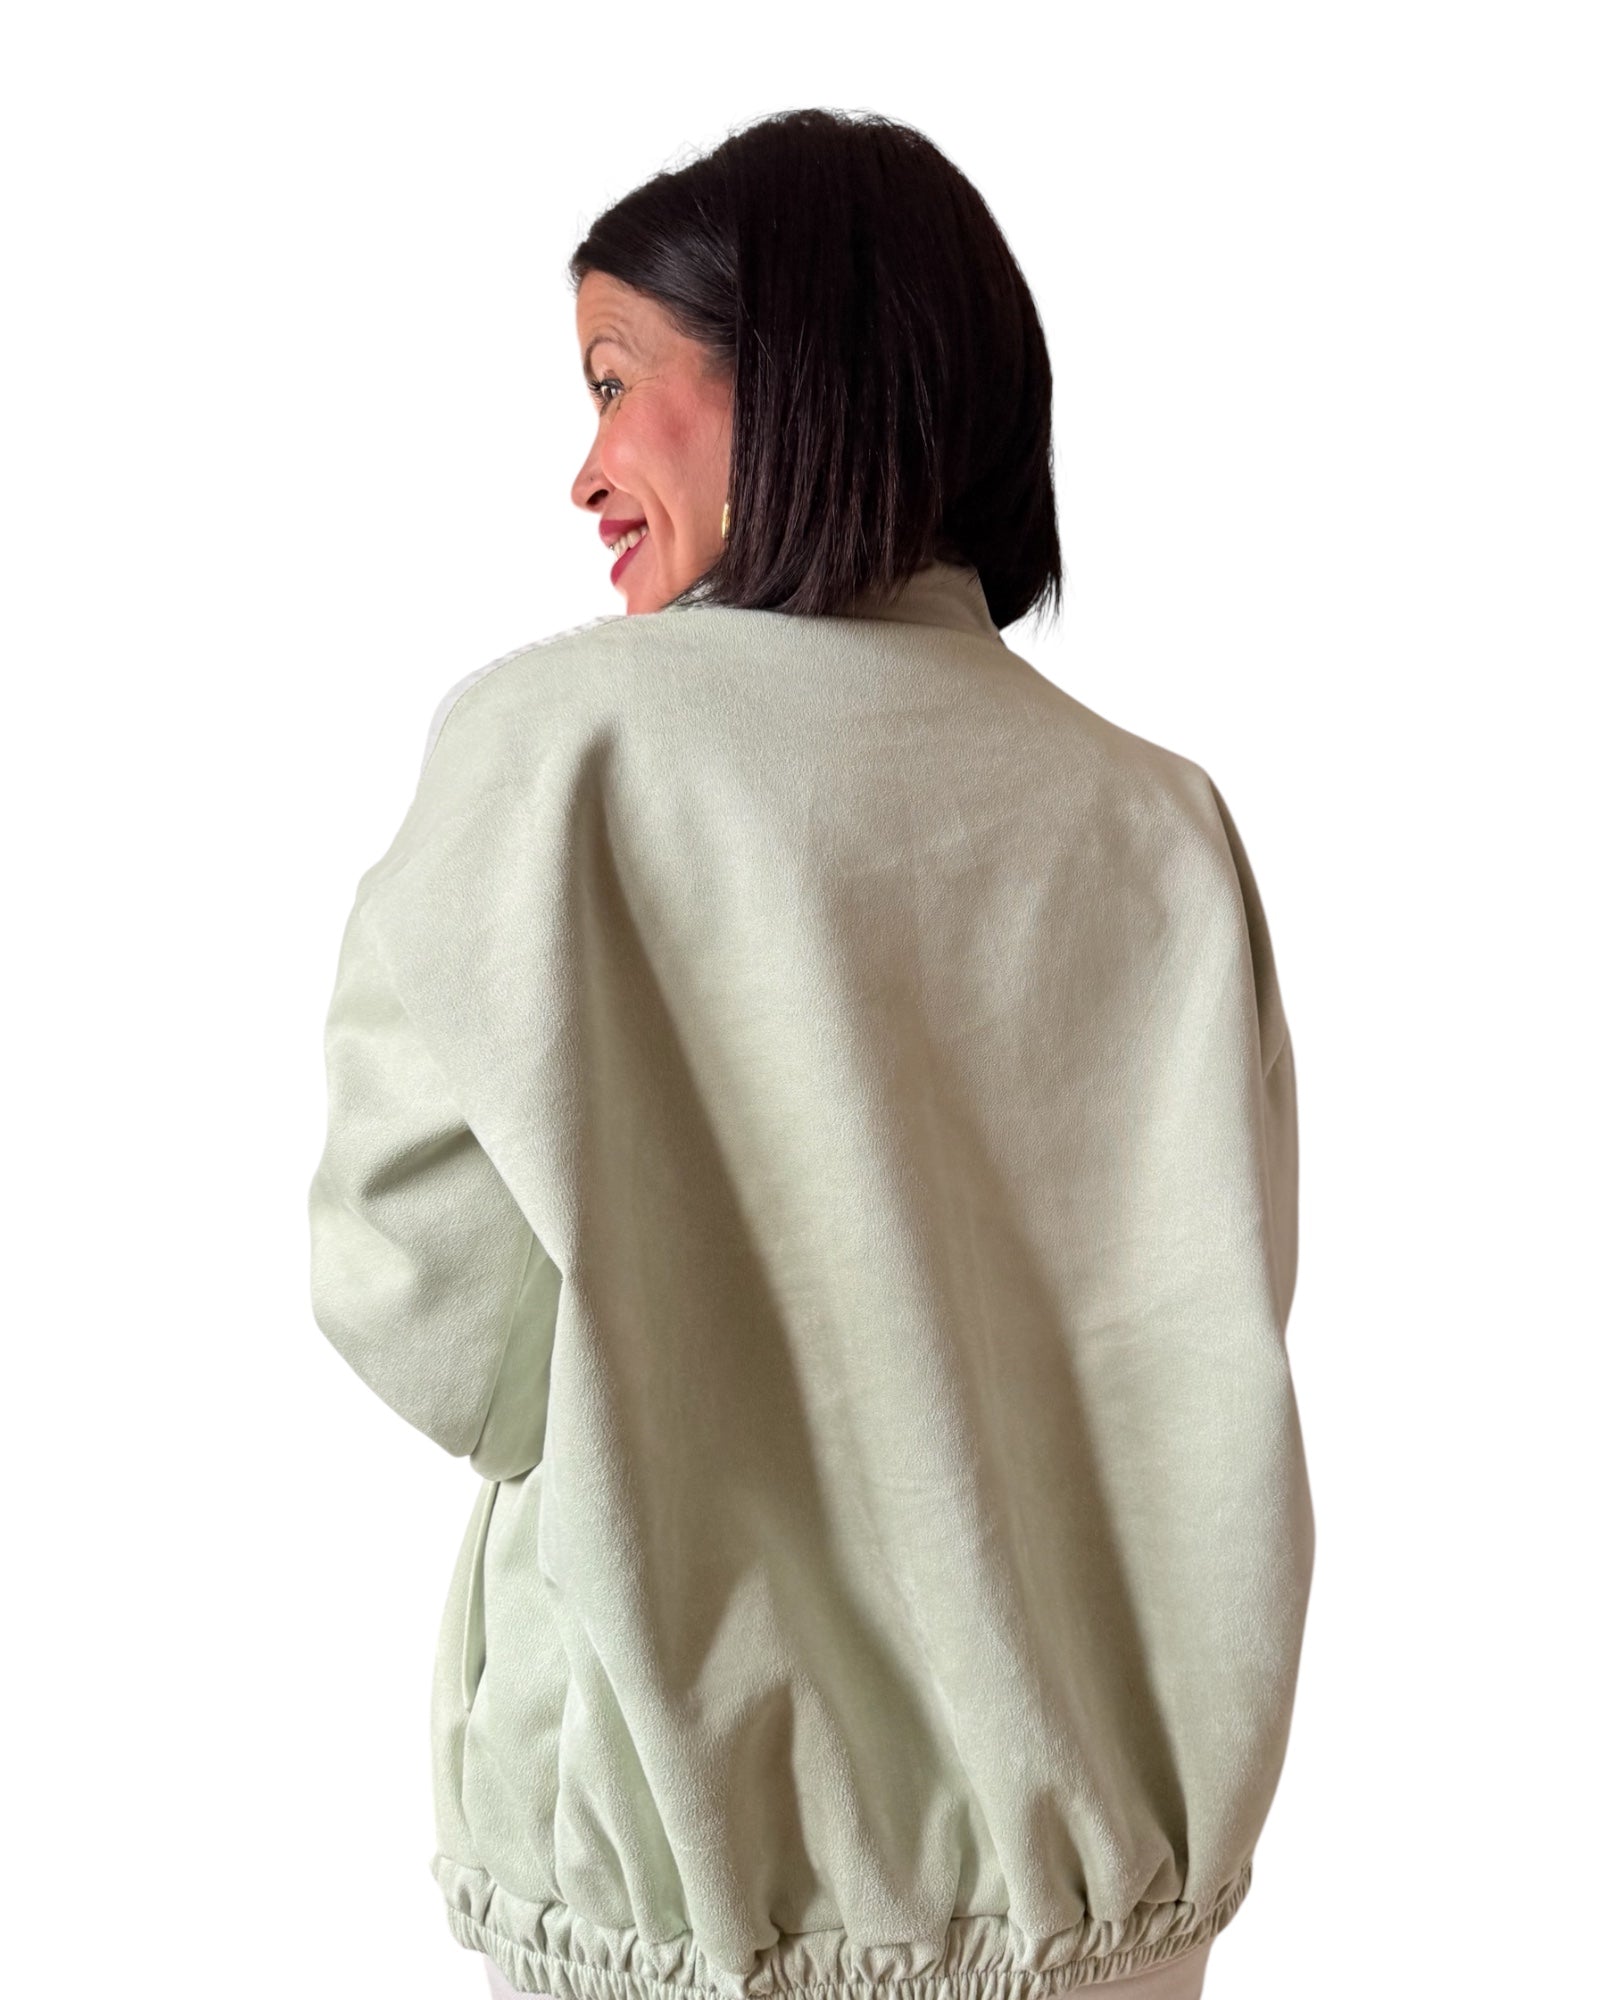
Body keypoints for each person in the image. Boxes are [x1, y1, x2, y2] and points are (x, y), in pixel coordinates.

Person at [307, 108, 1314, 2000]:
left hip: (691, 1903)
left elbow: (412, 1285)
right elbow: (1208, 1332)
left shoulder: (564, 753)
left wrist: (666, 1386)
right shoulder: (1161, 827)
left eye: (619, 380)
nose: (586, 468)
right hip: (1104, 1917)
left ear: (795, 376)